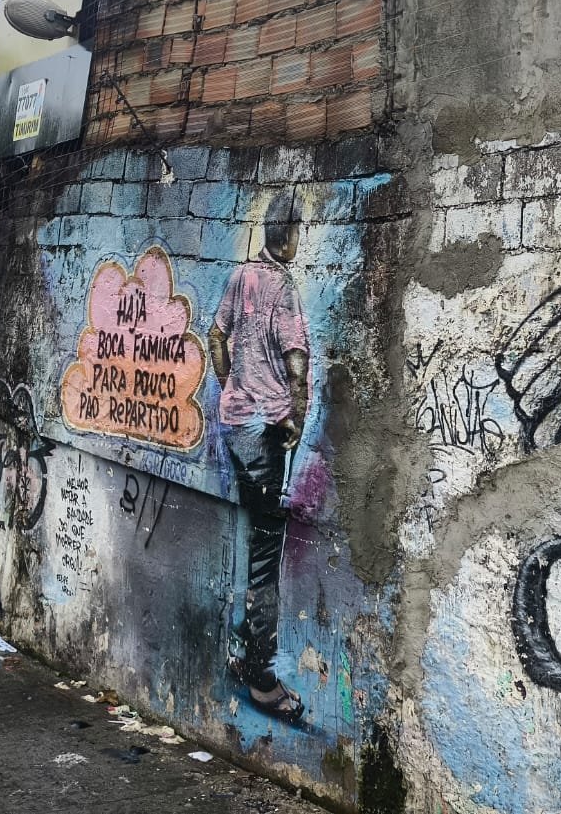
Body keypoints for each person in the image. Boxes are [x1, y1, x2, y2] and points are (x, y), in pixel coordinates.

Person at [208, 189, 309, 723]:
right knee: (268, 554)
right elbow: (296, 365)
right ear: (287, 234)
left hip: (234, 426)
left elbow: (215, 338)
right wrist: (296, 417)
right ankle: (262, 680)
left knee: (251, 538)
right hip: (266, 432)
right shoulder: (283, 287)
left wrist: (231, 389)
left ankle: (241, 649)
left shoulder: (240, 276)